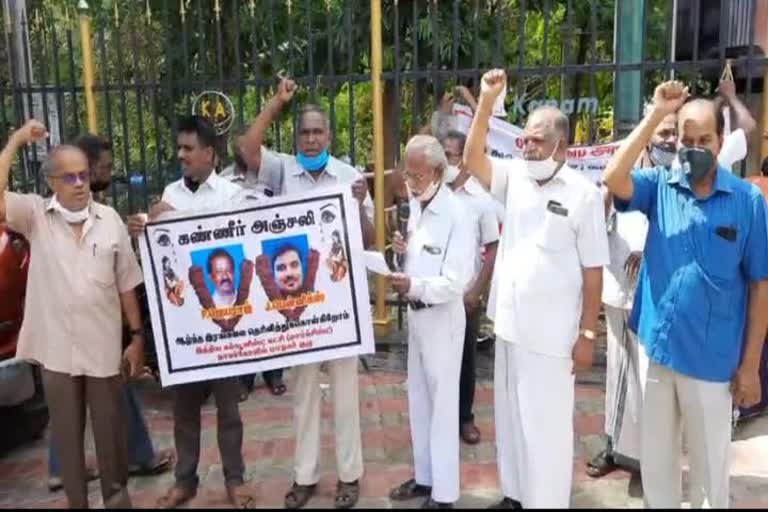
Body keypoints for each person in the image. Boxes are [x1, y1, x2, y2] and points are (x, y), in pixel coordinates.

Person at [602, 81, 768, 508]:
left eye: (703, 140)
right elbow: (612, 177)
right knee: (657, 471)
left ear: (720, 140)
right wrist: (656, 114)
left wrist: (750, 367)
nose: (693, 148)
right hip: (658, 353)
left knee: (711, 477)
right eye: (686, 140)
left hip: (712, 366)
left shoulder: (747, 201)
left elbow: (759, 285)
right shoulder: (660, 185)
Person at [463, 69, 610, 509]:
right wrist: (487, 102)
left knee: (545, 432)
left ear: (562, 147)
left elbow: (593, 273)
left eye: (538, 141)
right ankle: (515, 496)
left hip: (552, 340)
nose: (527, 147)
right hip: (509, 328)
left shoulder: (584, 194)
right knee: (510, 423)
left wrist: (587, 335)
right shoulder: (516, 178)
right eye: (525, 139)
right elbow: (472, 159)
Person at [239, 82, 374, 510]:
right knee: (303, 392)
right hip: (297, 306)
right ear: (296, 138)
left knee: (346, 392)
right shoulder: (281, 171)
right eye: (304, 133)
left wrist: (362, 203)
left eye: (318, 133)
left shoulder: (350, 177)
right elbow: (247, 146)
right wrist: (277, 101)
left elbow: (369, 239)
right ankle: (305, 475)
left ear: (329, 137)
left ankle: (350, 475)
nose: (311, 139)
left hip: (341, 305)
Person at [0, 120, 146, 509]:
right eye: (69, 178)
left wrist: (136, 338)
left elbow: (126, 283)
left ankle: (117, 501)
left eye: (84, 175)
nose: (80, 183)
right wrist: (15, 141)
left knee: (112, 439)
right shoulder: (34, 216)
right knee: (68, 444)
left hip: (102, 352)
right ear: (52, 182)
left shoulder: (110, 221)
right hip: (57, 355)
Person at [127, 115, 255, 510]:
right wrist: (144, 231)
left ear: (208, 153)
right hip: (182, 323)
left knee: (228, 408)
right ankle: (185, 481)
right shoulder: (169, 193)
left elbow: (230, 238)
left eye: (187, 148)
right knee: (184, 407)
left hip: (223, 320)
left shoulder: (230, 194)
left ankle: (235, 479)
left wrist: (172, 219)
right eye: (179, 148)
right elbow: (160, 256)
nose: (180, 155)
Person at [45, 134, 174, 493]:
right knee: (99, 388)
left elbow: (121, 273)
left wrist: (134, 332)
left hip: (99, 324)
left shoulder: (102, 214)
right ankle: (134, 455)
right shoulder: (48, 216)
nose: (107, 172)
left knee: (107, 389)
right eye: (102, 166)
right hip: (74, 327)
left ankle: (120, 457)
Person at [387, 135, 473, 509]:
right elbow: (421, 259)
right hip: (417, 317)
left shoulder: (458, 214)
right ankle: (425, 478)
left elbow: (457, 280)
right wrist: (402, 255)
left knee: (442, 407)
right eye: (408, 173)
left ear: (439, 172)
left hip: (442, 318)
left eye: (418, 175)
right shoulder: (418, 205)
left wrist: (416, 284)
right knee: (418, 398)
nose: (410, 181)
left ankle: (445, 494)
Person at [440, 130, 499, 445]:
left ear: (464, 160)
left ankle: (464, 418)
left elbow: (492, 248)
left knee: (464, 360)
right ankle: (439, 418)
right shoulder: (430, 194)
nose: (447, 163)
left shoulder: (481, 200)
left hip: (465, 296)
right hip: (434, 295)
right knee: (436, 361)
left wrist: (476, 290)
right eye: (443, 155)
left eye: (452, 156)